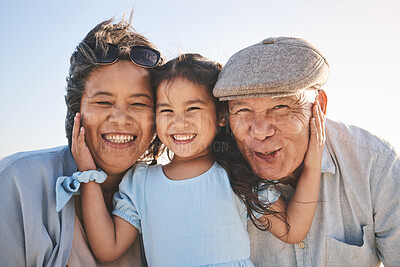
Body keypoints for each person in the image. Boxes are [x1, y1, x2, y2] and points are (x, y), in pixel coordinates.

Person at [70, 53, 325, 266]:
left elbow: (292, 230)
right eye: (166, 110)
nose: (179, 122)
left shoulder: (235, 176)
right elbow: (107, 247)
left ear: (221, 116)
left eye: (193, 108)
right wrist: (88, 175)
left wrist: (313, 165)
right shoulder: (141, 182)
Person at [213, 37, 400, 267]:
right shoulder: (214, 175)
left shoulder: (376, 164)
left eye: (280, 107)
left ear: (319, 106)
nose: (261, 131)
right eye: (242, 110)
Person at [0, 18, 163, 266]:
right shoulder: (18, 182)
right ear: (77, 108)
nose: (120, 119)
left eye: (139, 103)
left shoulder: (167, 195)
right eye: (103, 102)